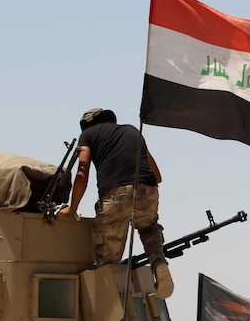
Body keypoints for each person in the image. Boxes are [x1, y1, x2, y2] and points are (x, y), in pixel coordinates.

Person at [58, 108, 173, 298]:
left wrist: (72, 208)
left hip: (116, 194)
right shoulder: (132, 131)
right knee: (148, 227)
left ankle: (111, 306)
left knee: (108, 262)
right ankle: (159, 263)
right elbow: (158, 176)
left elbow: (82, 170)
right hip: (148, 191)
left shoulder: (88, 134)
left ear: (89, 125)